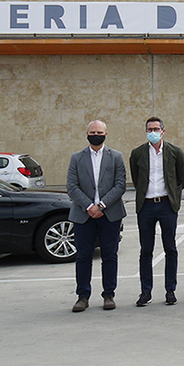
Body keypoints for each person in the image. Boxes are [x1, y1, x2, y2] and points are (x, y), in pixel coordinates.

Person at [66, 120, 127, 312]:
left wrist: (101, 205)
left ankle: (109, 294)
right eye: (92, 131)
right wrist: (89, 206)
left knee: (110, 255)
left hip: (110, 214)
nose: (96, 134)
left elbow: (120, 185)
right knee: (83, 256)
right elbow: (72, 187)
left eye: (99, 131)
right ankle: (82, 296)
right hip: (84, 215)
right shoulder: (76, 158)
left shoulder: (116, 156)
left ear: (106, 134)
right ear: (87, 133)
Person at [129, 116, 184, 307]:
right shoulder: (137, 153)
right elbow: (136, 178)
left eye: (156, 129)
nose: (152, 132)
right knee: (146, 250)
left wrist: (173, 198)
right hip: (146, 206)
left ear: (163, 130)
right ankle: (145, 292)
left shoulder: (175, 152)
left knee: (170, 248)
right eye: (149, 129)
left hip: (166, 206)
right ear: (145, 131)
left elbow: (182, 179)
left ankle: (170, 290)